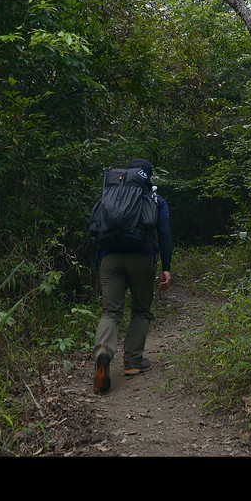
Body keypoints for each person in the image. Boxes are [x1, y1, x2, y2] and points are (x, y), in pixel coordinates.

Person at [93, 158, 172, 394]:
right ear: (149, 177)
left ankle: (103, 351)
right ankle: (132, 361)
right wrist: (165, 267)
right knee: (141, 310)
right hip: (141, 258)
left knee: (111, 312)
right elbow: (164, 233)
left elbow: (98, 228)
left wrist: (102, 261)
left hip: (110, 259)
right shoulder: (156, 199)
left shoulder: (110, 194)